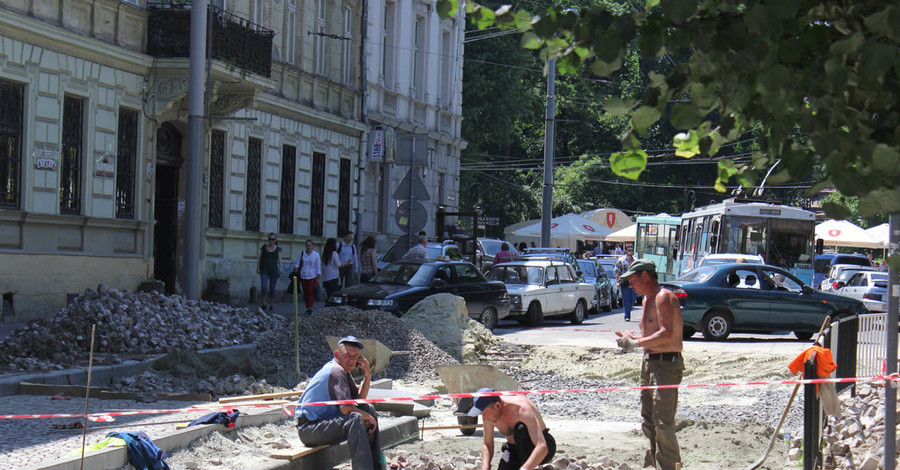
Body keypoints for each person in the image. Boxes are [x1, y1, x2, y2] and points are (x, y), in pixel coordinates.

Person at [614, 259, 684, 470]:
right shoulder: (647, 301)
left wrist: (634, 343)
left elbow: (667, 334)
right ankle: (652, 465)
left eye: (633, 280)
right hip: (650, 362)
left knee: (663, 422)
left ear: (645, 276)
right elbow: (652, 336)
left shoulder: (664, 297)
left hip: (666, 364)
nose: (630, 285)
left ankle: (669, 466)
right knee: (649, 420)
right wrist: (632, 338)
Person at [295, 336, 383, 470]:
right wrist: (367, 417)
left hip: (322, 424)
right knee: (355, 418)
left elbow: (359, 401)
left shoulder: (344, 372)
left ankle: (377, 466)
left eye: (356, 356)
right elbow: (346, 408)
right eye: (348, 355)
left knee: (368, 408)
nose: (352, 360)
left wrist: (367, 376)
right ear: (337, 354)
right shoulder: (336, 371)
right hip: (309, 429)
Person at [468, 387, 556, 470]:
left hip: (543, 448)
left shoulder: (521, 409)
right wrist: (485, 467)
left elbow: (542, 447)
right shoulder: (489, 415)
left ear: (497, 406)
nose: (484, 417)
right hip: (514, 448)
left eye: (484, 413)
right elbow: (487, 444)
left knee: (520, 429)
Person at [256, 232, 282, 312]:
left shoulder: (278, 249)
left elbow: (280, 259)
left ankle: (271, 304)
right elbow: (260, 258)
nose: (271, 241)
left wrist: (281, 268)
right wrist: (258, 268)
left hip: (274, 270)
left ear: (275, 240)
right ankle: (264, 304)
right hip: (265, 269)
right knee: (264, 286)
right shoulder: (264, 247)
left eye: (273, 239)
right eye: (270, 239)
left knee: (272, 289)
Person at [294, 240, 321, 315]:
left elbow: (318, 266)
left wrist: (318, 275)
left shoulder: (316, 255)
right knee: (305, 292)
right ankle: (307, 306)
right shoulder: (302, 253)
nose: (308, 247)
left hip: (312, 275)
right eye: (307, 246)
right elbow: (298, 263)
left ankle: (310, 307)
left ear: (312, 246)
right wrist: (296, 270)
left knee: (310, 291)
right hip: (303, 275)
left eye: (310, 246)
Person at [614, 244, 637, 321]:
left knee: (633, 299)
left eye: (632, 250)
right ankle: (627, 315)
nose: (631, 252)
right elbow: (617, 271)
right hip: (625, 282)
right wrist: (617, 281)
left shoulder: (636, 260)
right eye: (629, 250)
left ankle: (628, 310)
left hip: (634, 282)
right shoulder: (621, 260)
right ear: (626, 251)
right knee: (626, 300)